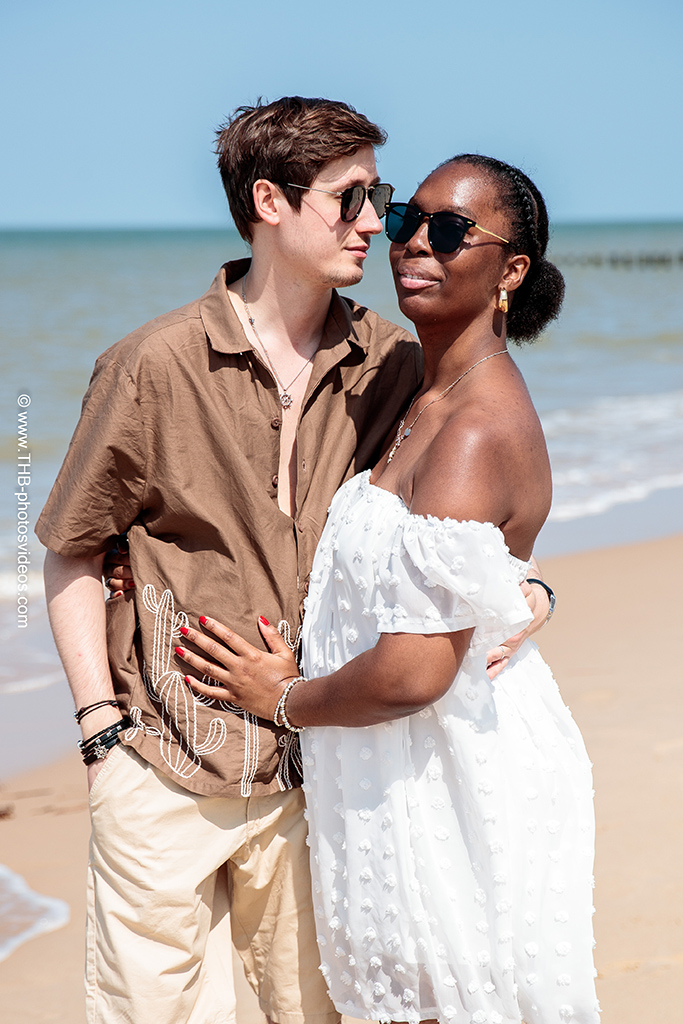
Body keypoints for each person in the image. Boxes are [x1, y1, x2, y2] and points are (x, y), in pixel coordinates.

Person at [37, 93, 550, 1023]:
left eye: (378, 199)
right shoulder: (150, 365)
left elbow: (466, 516)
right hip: (161, 763)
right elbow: (73, 550)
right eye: (352, 200)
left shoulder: (394, 367)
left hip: (319, 780)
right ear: (269, 202)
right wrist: (99, 729)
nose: (378, 227)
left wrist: (529, 585)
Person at [173, 155, 599, 1024]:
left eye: (450, 231)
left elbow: (413, 671)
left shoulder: (472, 428)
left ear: (510, 271)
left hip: (450, 775)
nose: (413, 244)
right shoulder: (420, 391)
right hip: (394, 768)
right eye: (405, 218)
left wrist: (281, 698)